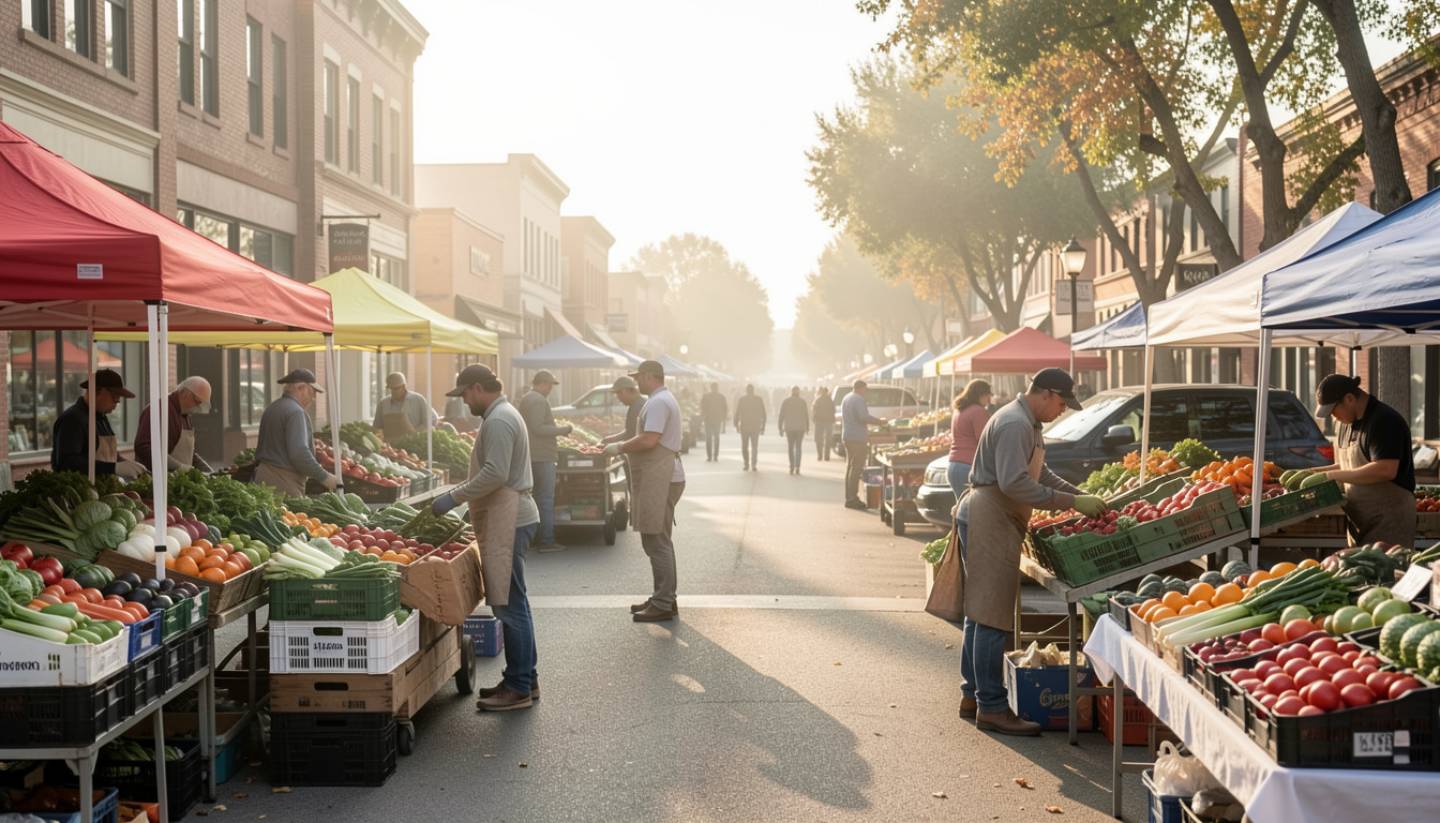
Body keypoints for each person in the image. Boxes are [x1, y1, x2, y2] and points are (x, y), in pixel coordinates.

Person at [956, 369, 1106, 736]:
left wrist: (1076, 496)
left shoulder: (1028, 424)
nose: (1062, 411)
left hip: (993, 517)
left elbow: (1041, 473)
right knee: (990, 616)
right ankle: (991, 706)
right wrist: (1070, 501)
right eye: (1061, 403)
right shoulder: (1014, 425)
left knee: (979, 613)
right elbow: (1013, 482)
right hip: (989, 516)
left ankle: (972, 695)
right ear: (1046, 394)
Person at [430, 365, 540, 711]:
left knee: (509, 606)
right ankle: (523, 679)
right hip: (508, 514)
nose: (464, 402)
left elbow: (496, 472)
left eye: (464, 394)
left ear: (478, 388)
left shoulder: (499, 420)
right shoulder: (502, 415)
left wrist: (455, 496)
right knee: (514, 603)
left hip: (511, 517)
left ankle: (519, 687)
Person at [603, 360, 685, 622]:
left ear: (650, 376)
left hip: (661, 477)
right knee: (659, 539)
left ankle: (663, 602)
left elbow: (650, 439)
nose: (636, 382)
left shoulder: (659, 402)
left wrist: (619, 448)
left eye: (639, 377)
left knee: (656, 540)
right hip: (661, 475)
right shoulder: (660, 399)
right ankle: (664, 597)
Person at [1312, 374, 1417, 547]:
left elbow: (1385, 469)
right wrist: (1315, 473)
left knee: (1386, 572)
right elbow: (1348, 466)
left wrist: (1331, 476)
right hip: (1359, 521)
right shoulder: (1344, 423)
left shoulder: (1384, 421)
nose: (1333, 417)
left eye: (1333, 411)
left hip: (1389, 521)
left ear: (1349, 399)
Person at [253, 369, 339, 496]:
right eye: (312, 392)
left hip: (263, 476)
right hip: (283, 482)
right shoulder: (296, 412)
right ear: (301, 388)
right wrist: (324, 477)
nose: (313, 398)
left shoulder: (273, 407)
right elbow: (299, 453)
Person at [517, 371, 573, 552]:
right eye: (549, 385)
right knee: (545, 499)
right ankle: (546, 540)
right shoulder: (538, 400)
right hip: (542, 456)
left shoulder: (527, 398)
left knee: (533, 498)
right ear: (541, 383)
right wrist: (563, 430)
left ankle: (532, 538)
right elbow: (538, 428)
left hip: (532, 455)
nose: (550, 389)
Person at [51, 368, 142, 478]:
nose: (117, 401)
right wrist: (113, 468)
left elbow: (109, 455)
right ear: (97, 391)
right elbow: (68, 463)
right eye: (115, 396)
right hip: (82, 491)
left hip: (104, 488)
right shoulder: (72, 419)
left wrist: (126, 464)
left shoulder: (101, 418)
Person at [133, 376, 214, 473]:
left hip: (178, 480)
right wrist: (179, 467)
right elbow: (142, 447)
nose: (197, 407)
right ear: (184, 393)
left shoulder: (185, 414)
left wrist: (209, 471)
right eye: (197, 402)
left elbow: (189, 452)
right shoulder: (159, 409)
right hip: (156, 479)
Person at [841, 381, 885, 510]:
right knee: (856, 469)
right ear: (860, 389)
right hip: (857, 438)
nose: (866, 393)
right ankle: (852, 499)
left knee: (850, 467)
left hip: (848, 436)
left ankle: (849, 497)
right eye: (865, 390)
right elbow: (863, 417)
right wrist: (879, 422)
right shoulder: (858, 399)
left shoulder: (847, 397)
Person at [948, 379, 993, 500]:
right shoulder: (978, 411)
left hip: (953, 464)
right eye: (988, 395)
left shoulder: (958, 410)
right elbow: (984, 440)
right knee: (972, 510)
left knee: (960, 507)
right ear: (981, 394)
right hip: (969, 465)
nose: (989, 399)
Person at [372, 372, 438, 443]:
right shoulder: (383, 403)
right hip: (391, 447)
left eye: (396, 389)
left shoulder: (418, 399)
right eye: (391, 389)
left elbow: (430, 422)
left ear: (403, 386)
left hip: (415, 443)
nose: (393, 392)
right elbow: (377, 427)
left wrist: (414, 434)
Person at [602, 376, 647, 444]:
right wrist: (610, 439)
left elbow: (632, 436)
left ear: (625, 391)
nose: (618, 398)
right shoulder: (635, 404)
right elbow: (629, 431)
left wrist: (618, 447)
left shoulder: (638, 407)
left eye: (619, 394)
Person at [778, 386, 810, 475]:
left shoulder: (786, 401)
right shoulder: (802, 402)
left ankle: (791, 466)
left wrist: (780, 427)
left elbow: (781, 415)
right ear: (798, 392)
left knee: (790, 448)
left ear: (791, 392)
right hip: (800, 428)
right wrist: (807, 427)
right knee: (798, 447)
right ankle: (797, 467)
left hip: (789, 428)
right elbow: (806, 415)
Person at [734, 385, 767, 471]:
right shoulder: (758, 399)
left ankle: (746, 463)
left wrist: (736, 424)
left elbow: (737, 412)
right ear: (753, 390)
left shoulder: (742, 400)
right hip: (755, 426)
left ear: (746, 391)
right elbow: (764, 413)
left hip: (745, 426)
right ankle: (753, 464)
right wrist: (763, 426)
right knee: (754, 446)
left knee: (745, 446)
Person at [700, 383, 728, 462]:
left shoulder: (707, 396)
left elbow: (702, 407)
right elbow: (725, 409)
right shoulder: (721, 397)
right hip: (714, 420)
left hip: (711, 420)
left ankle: (711, 456)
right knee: (715, 438)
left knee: (711, 438)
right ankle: (714, 456)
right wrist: (723, 419)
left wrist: (703, 416)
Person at [811, 387, 836, 461]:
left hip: (819, 422)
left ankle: (819, 455)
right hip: (828, 422)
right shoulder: (830, 400)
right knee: (828, 440)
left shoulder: (817, 400)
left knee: (818, 439)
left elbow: (813, 410)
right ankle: (826, 456)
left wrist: (814, 419)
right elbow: (833, 410)